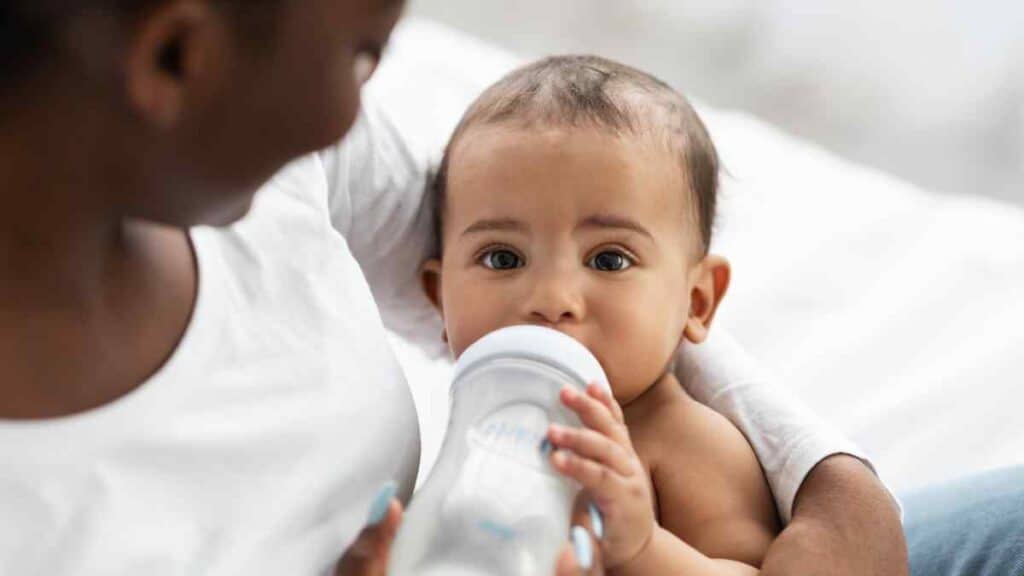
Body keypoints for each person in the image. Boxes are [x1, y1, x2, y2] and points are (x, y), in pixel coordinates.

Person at [0, 0, 933, 574]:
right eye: (360, 56)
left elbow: (567, 269)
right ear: (177, 56)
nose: (352, 117)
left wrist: (835, 486)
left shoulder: (282, 164)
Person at [420, 55, 779, 574]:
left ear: (696, 302)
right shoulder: (478, 428)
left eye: (609, 259)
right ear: (439, 297)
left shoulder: (688, 442)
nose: (552, 297)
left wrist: (643, 549)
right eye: (503, 257)